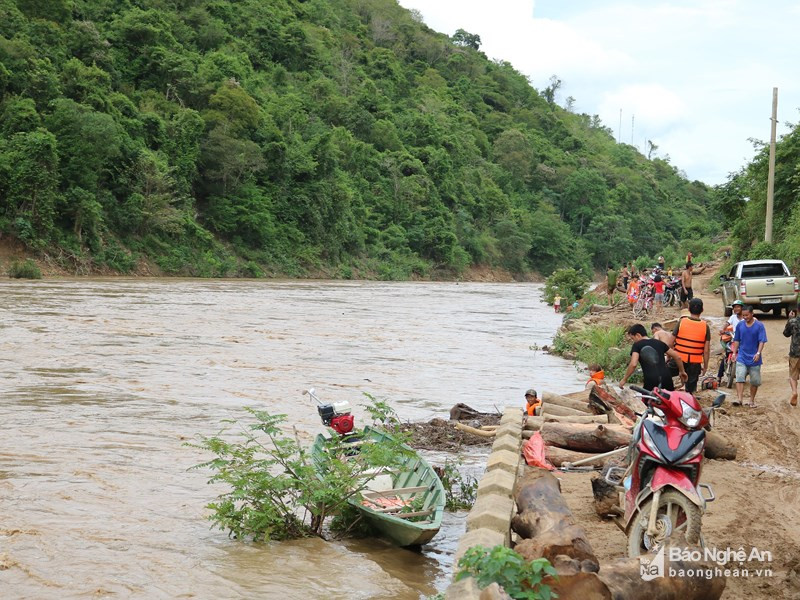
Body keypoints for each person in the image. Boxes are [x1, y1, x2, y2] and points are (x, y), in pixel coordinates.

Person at [620, 324, 688, 391]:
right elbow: (677, 357)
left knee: (648, 401)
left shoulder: (637, 345)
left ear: (638, 335)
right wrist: (682, 371)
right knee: (668, 400)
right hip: (666, 377)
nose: (633, 341)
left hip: (651, 379)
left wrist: (624, 379)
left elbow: (633, 364)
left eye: (632, 338)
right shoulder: (659, 343)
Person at [731, 305, 768, 407]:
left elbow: (762, 341)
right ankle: (739, 399)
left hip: (754, 358)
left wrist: (758, 353)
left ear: (752, 314)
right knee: (739, 377)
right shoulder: (740, 326)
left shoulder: (759, 326)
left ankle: (751, 400)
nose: (745, 317)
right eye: (743, 315)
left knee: (755, 381)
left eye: (747, 315)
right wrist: (734, 352)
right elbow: (737, 340)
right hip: (742, 356)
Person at [672, 298, 710, 394]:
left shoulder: (681, 322)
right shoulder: (705, 326)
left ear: (688, 309)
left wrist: (668, 357)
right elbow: (706, 350)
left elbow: (670, 342)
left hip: (678, 359)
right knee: (690, 390)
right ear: (702, 310)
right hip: (694, 362)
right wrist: (705, 366)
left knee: (665, 375)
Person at [782, 305, 800, 407]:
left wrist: (790, 319)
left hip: (795, 352)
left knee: (793, 375)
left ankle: (794, 392)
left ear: (797, 310)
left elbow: (786, 333)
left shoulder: (793, 322)